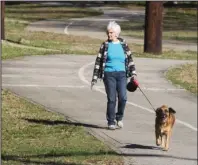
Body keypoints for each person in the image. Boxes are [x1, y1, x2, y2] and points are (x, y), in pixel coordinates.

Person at [91, 21, 137, 130]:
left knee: (123, 97)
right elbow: (98, 61)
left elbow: (130, 59)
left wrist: (133, 74)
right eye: (108, 32)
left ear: (117, 33)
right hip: (108, 74)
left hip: (122, 74)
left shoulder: (123, 44)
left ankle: (119, 117)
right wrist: (94, 78)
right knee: (112, 99)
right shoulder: (105, 45)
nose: (109, 34)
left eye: (111, 32)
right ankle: (111, 121)